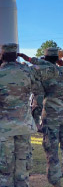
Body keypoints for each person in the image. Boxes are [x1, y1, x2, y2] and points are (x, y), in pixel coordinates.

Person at [0, 43, 42, 187]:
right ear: (16, 56)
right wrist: (34, 118)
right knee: (22, 170)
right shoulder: (28, 73)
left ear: (1, 56)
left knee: (5, 170)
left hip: (4, 129)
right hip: (24, 126)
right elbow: (39, 94)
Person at [24, 47, 63, 186]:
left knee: (52, 150)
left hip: (52, 116)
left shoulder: (42, 73)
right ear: (57, 59)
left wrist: (34, 120)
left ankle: (55, 181)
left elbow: (38, 98)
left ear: (45, 59)